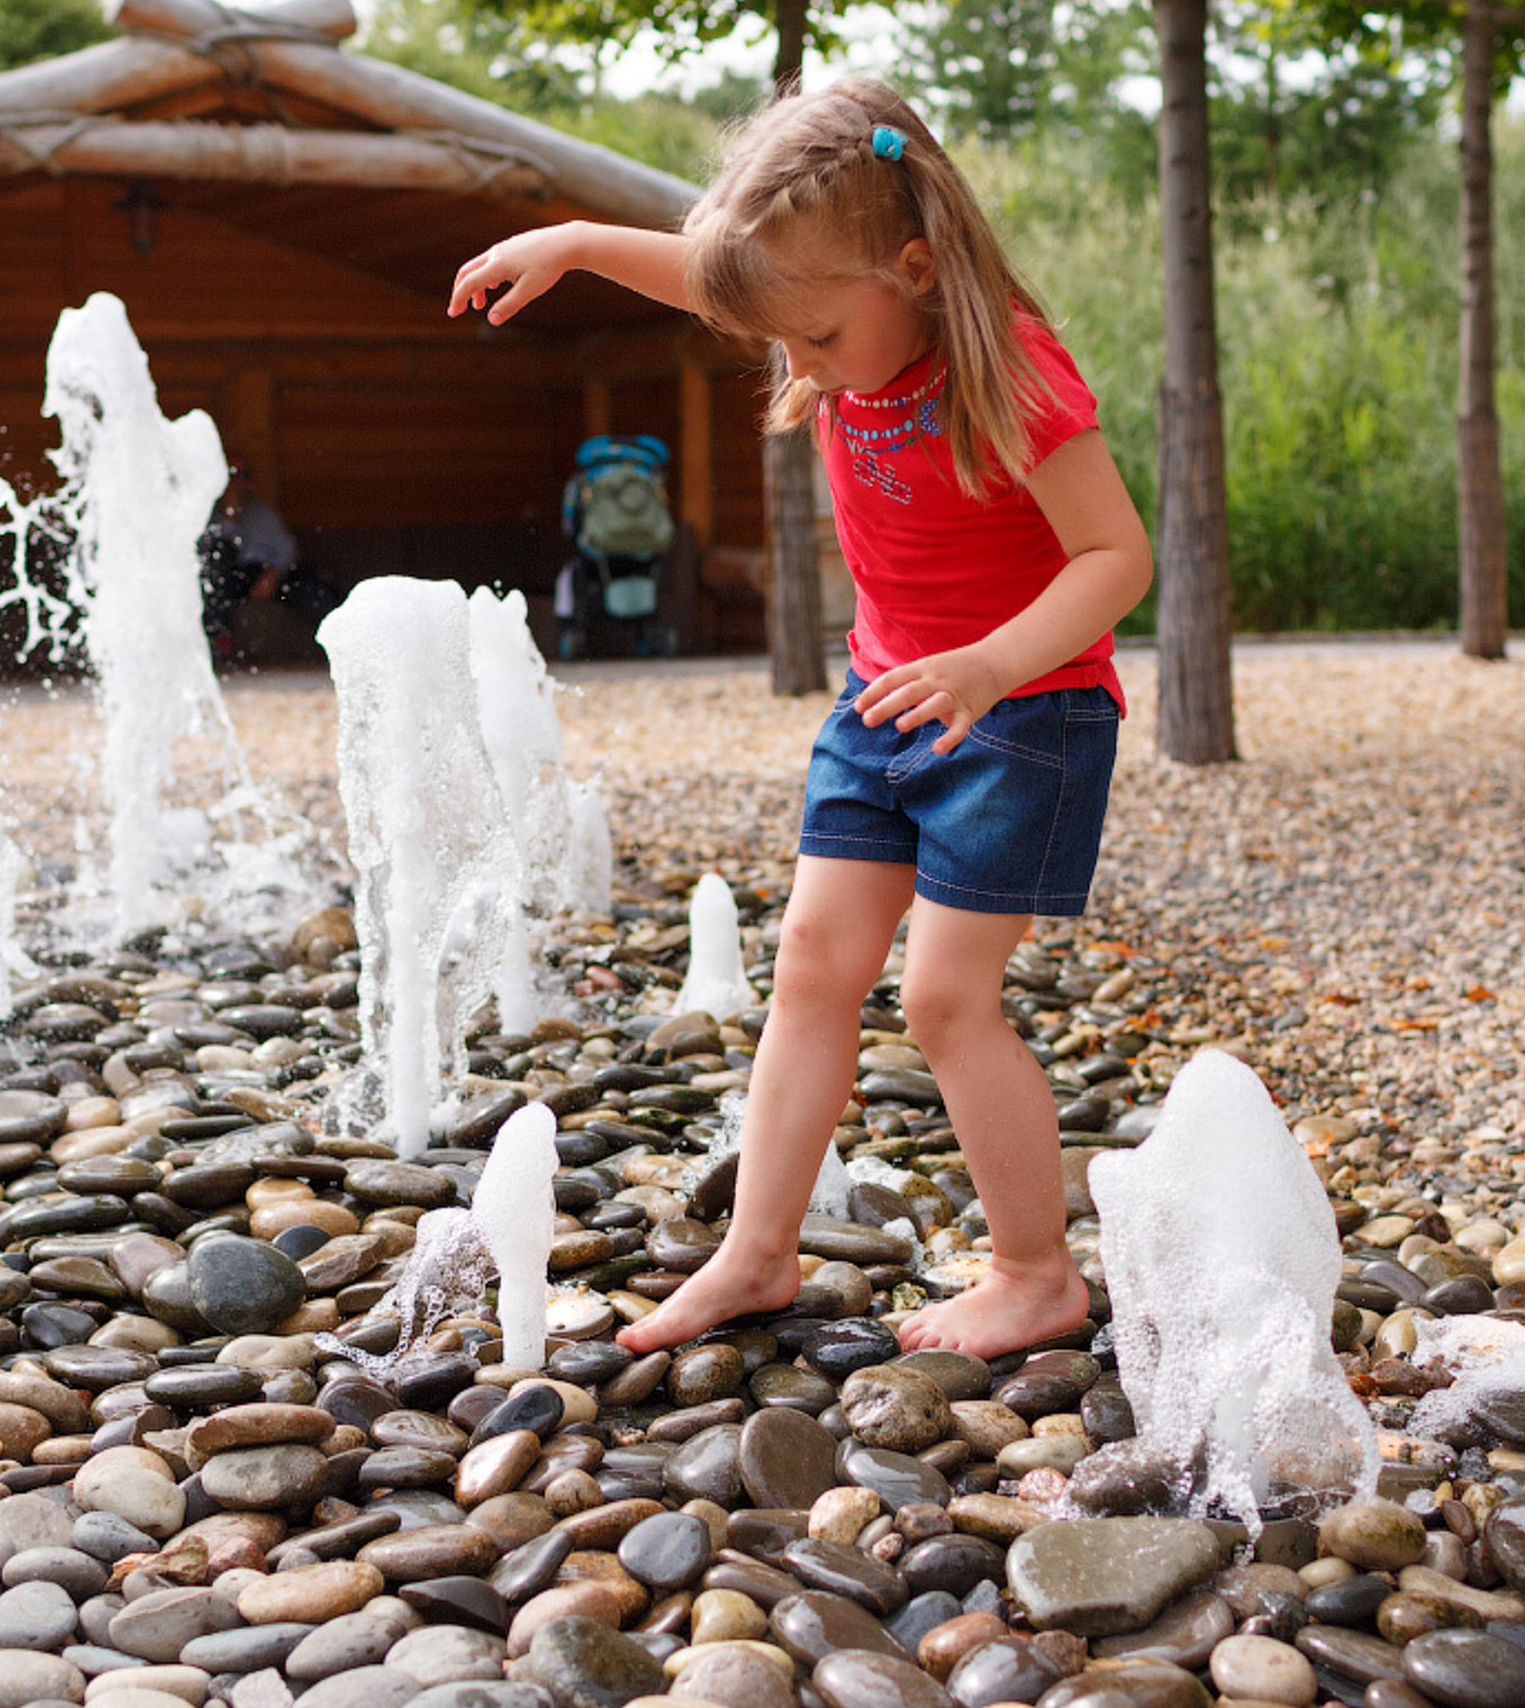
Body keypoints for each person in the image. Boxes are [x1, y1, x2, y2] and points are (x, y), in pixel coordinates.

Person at [448, 79, 1153, 1360]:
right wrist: (576, 245)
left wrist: (989, 665)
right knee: (813, 968)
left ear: (917, 269)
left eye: (819, 338)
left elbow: (1116, 558)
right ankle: (757, 1255)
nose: (803, 366)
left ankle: (1035, 1271)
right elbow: (718, 280)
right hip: (884, 699)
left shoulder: (1016, 372)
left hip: (1023, 712)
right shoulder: (833, 299)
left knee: (945, 999)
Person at [197, 470, 340, 657]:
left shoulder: (263, 513)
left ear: (249, 482)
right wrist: (230, 516)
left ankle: (340, 641)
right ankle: (219, 645)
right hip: (227, 577)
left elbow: (287, 548)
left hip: (264, 574)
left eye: (241, 475)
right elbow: (204, 553)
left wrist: (274, 572)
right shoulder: (204, 515)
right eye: (229, 475)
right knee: (213, 574)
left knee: (310, 585)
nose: (235, 482)